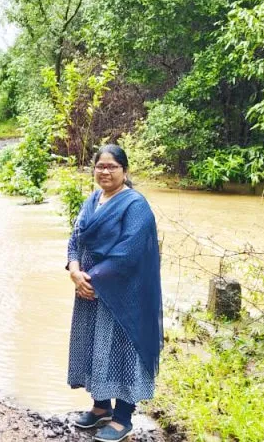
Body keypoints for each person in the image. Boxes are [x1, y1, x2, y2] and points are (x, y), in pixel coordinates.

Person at [66, 145, 163, 442]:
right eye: (100, 166)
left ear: (125, 171)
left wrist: (89, 280)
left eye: (112, 167)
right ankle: (100, 407)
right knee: (94, 345)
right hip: (88, 289)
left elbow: (128, 253)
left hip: (123, 294)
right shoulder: (92, 199)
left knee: (123, 350)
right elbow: (75, 238)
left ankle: (123, 417)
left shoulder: (135, 205)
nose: (105, 172)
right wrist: (73, 268)